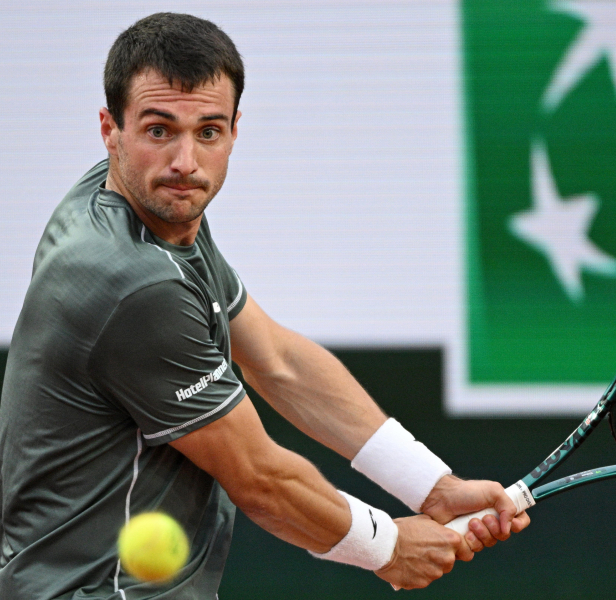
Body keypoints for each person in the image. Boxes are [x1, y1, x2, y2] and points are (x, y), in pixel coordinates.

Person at [0, 12, 529, 600]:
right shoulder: (132, 282)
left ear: (233, 129)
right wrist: (389, 547)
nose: (185, 161)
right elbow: (259, 478)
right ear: (110, 129)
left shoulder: (144, 206)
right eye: (159, 130)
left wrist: (431, 485)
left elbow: (275, 359)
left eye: (208, 131)